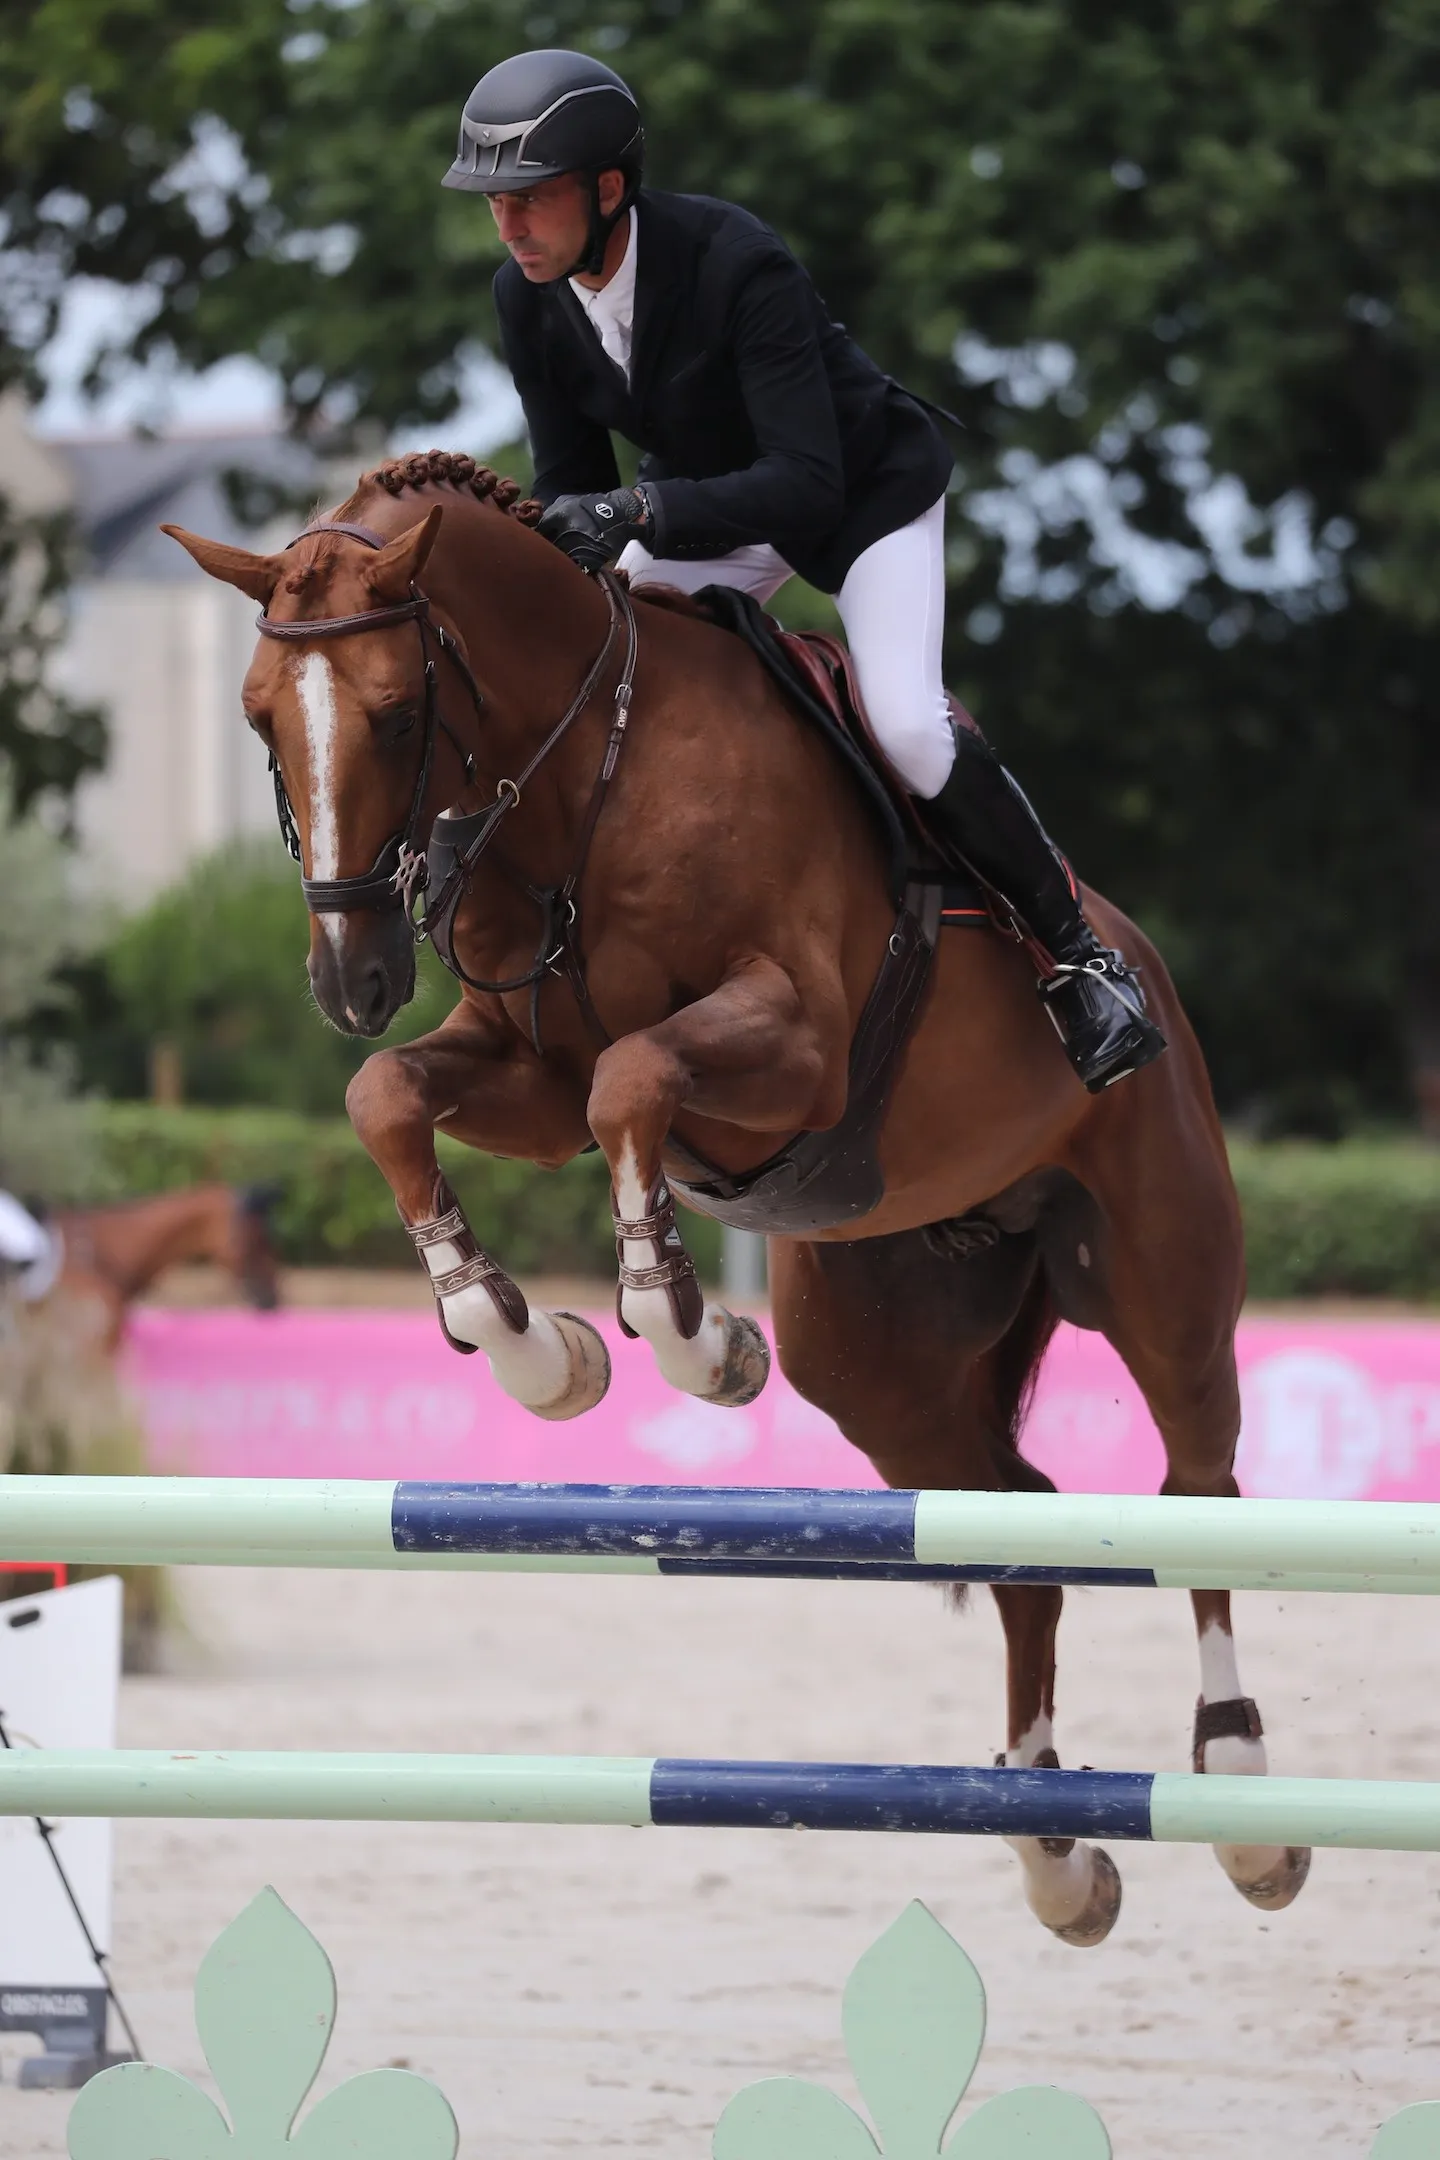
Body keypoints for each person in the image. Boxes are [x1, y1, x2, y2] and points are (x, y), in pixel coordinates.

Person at [442, 49, 1166, 1091]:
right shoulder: (528, 298)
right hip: (711, 511)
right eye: (495, 204)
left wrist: (641, 509)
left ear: (609, 190)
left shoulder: (737, 261)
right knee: (596, 674)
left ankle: (1080, 960)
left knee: (906, 721)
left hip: (859, 500)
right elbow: (572, 485)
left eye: (532, 200)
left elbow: (806, 483)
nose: (509, 228)